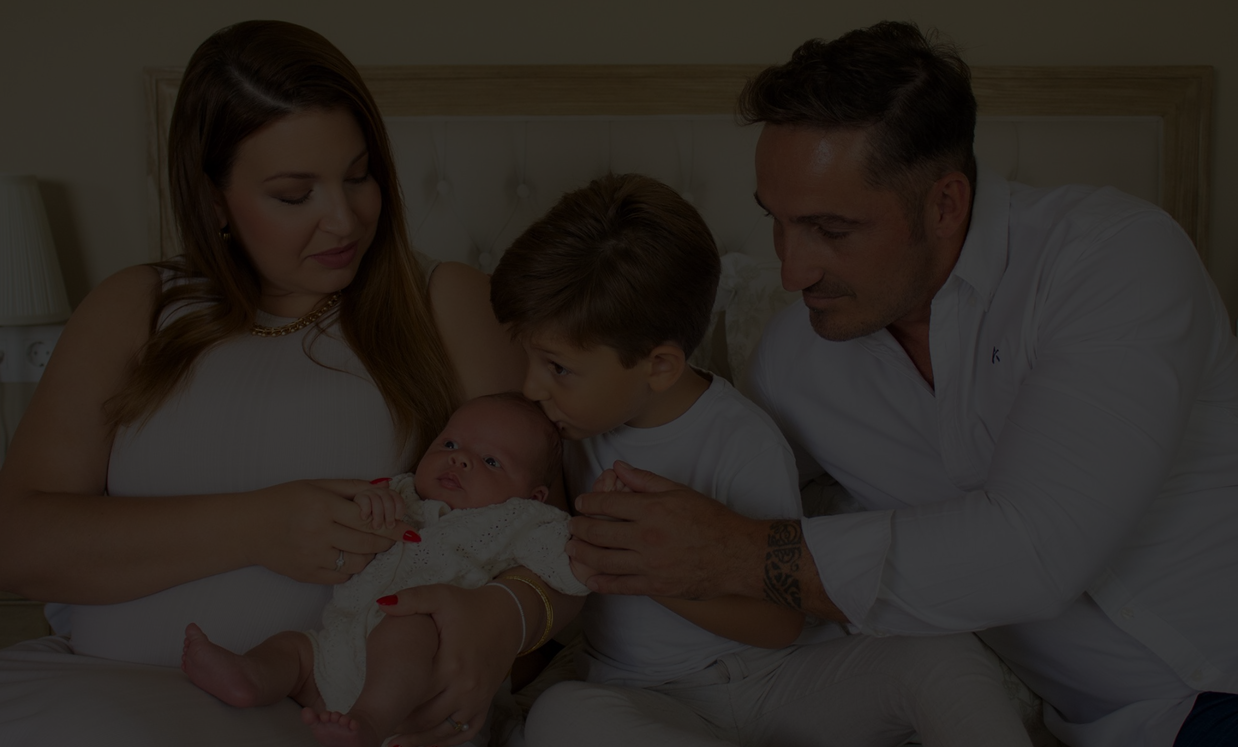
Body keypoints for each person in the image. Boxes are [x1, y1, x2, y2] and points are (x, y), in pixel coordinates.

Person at [564, 22, 1238, 747]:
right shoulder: (795, 359)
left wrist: (739, 553)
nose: (792, 271)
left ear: (945, 204)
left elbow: (1040, 550)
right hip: (1099, 731)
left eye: (831, 229)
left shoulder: (1112, 258)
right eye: (777, 222)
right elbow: (724, 476)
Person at [0, 20, 580, 747]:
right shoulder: (137, 307)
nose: (344, 219)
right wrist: (255, 527)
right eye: (293, 194)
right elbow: (15, 548)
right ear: (215, 199)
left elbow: (555, 541)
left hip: (343, 714)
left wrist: (503, 619)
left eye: (359, 175)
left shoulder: (444, 301)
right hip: (100, 696)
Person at [490, 173, 1031, 747]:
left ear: (659, 367)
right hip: (640, 697)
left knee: (941, 656)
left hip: (770, 683)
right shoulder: (564, 434)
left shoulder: (742, 440)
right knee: (556, 715)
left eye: (558, 368)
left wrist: (651, 572)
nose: (531, 387)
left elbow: (780, 623)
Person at [183, 393, 589, 747]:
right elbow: (350, 523)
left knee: (407, 626)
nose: (459, 458)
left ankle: (370, 721)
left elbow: (567, 568)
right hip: (334, 658)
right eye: (450, 443)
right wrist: (371, 505)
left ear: (534, 495)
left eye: (490, 460)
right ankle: (250, 677)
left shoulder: (523, 520)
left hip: (428, 680)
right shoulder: (401, 493)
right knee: (294, 648)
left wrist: (597, 524)